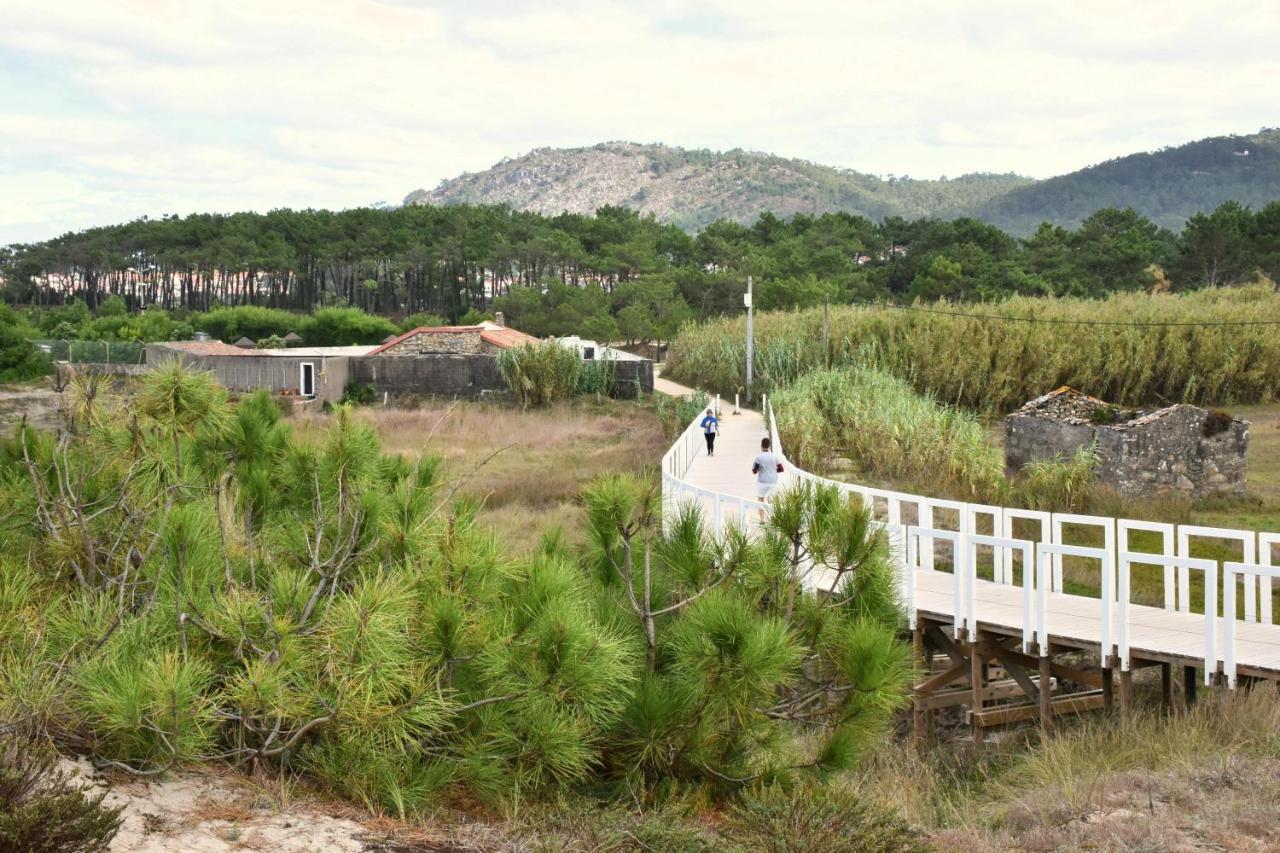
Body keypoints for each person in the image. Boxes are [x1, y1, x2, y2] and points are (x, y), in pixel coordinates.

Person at [752, 436, 783, 522]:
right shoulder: (775, 457)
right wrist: (773, 470)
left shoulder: (758, 457)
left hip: (762, 482)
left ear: (761, 446)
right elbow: (781, 469)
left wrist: (761, 469)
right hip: (773, 482)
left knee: (761, 500)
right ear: (769, 446)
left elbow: (754, 470)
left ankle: (762, 520)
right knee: (771, 501)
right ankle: (772, 519)